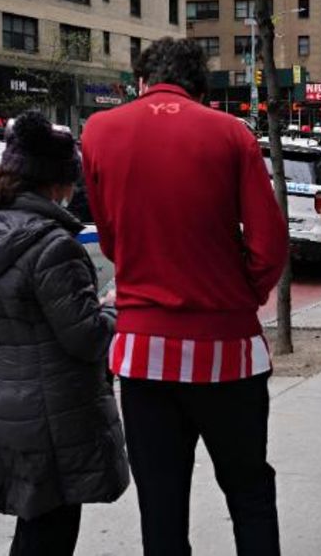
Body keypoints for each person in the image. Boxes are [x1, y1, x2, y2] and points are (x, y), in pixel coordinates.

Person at [81, 38, 288, 555]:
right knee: (249, 492)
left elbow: (110, 235)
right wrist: (244, 295)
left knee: (162, 503)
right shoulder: (230, 134)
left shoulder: (100, 130)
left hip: (144, 352)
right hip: (228, 351)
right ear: (202, 89)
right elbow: (270, 244)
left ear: (141, 82)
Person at [0, 112, 129, 556]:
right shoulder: (52, 245)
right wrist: (113, 308)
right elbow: (86, 337)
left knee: (34, 524)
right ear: (56, 181)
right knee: (51, 532)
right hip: (52, 416)